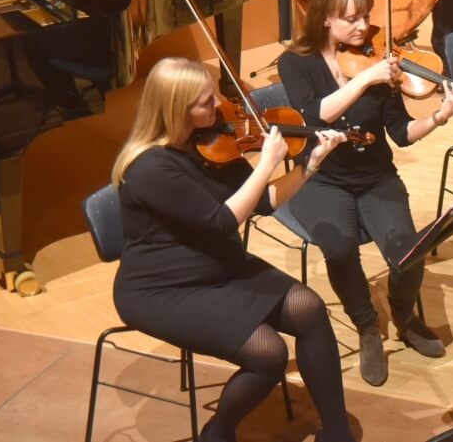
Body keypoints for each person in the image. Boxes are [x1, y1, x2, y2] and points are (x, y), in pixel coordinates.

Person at [112, 58, 354, 442]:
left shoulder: (212, 144)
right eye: (206, 102)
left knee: (309, 308)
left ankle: (337, 431)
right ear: (178, 110)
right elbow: (223, 221)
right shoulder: (151, 169)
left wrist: (311, 164)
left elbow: (264, 202)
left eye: (216, 95)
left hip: (217, 264)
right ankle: (218, 432)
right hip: (163, 287)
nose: (219, 106)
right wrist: (267, 162)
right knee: (268, 354)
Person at [278, 0, 453, 387]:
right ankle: (367, 326)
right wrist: (366, 78)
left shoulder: (378, 62)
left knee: (410, 253)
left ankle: (404, 314)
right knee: (340, 247)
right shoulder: (296, 63)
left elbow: (400, 133)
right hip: (321, 177)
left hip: (375, 174)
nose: (363, 27)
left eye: (365, 16)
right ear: (325, 19)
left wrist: (439, 116)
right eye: (350, 19)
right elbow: (313, 115)